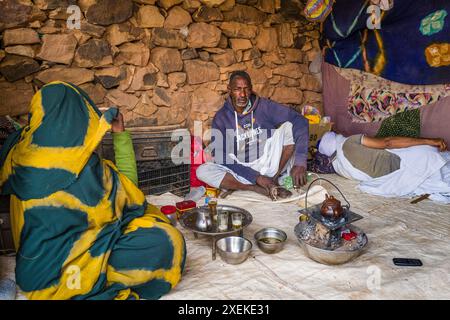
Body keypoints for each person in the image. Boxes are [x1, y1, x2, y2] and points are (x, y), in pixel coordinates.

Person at [0, 81, 186, 300]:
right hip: (74, 269)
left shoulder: (17, 157)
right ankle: (91, 280)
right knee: (168, 241)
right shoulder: (89, 170)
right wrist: (119, 134)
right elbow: (131, 193)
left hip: (35, 277)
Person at [196, 71, 309, 200]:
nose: (243, 95)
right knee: (203, 171)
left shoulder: (264, 106)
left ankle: (274, 180)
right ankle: (255, 188)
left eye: (246, 89)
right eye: (237, 89)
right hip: (242, 169)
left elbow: (300, 120)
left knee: (289, 126)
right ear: (229, 90)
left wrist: (300, 162)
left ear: (251, 89)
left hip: (269, 163)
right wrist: (257, 177)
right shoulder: (221, 118)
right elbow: (221, 156)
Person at [318, 131, 450, 203]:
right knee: (431, 152)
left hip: (391, 178)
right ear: (336, 137)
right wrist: (430, 140)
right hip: (403, 162)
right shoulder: (349, 142)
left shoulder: (340, 168)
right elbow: (388, 142)